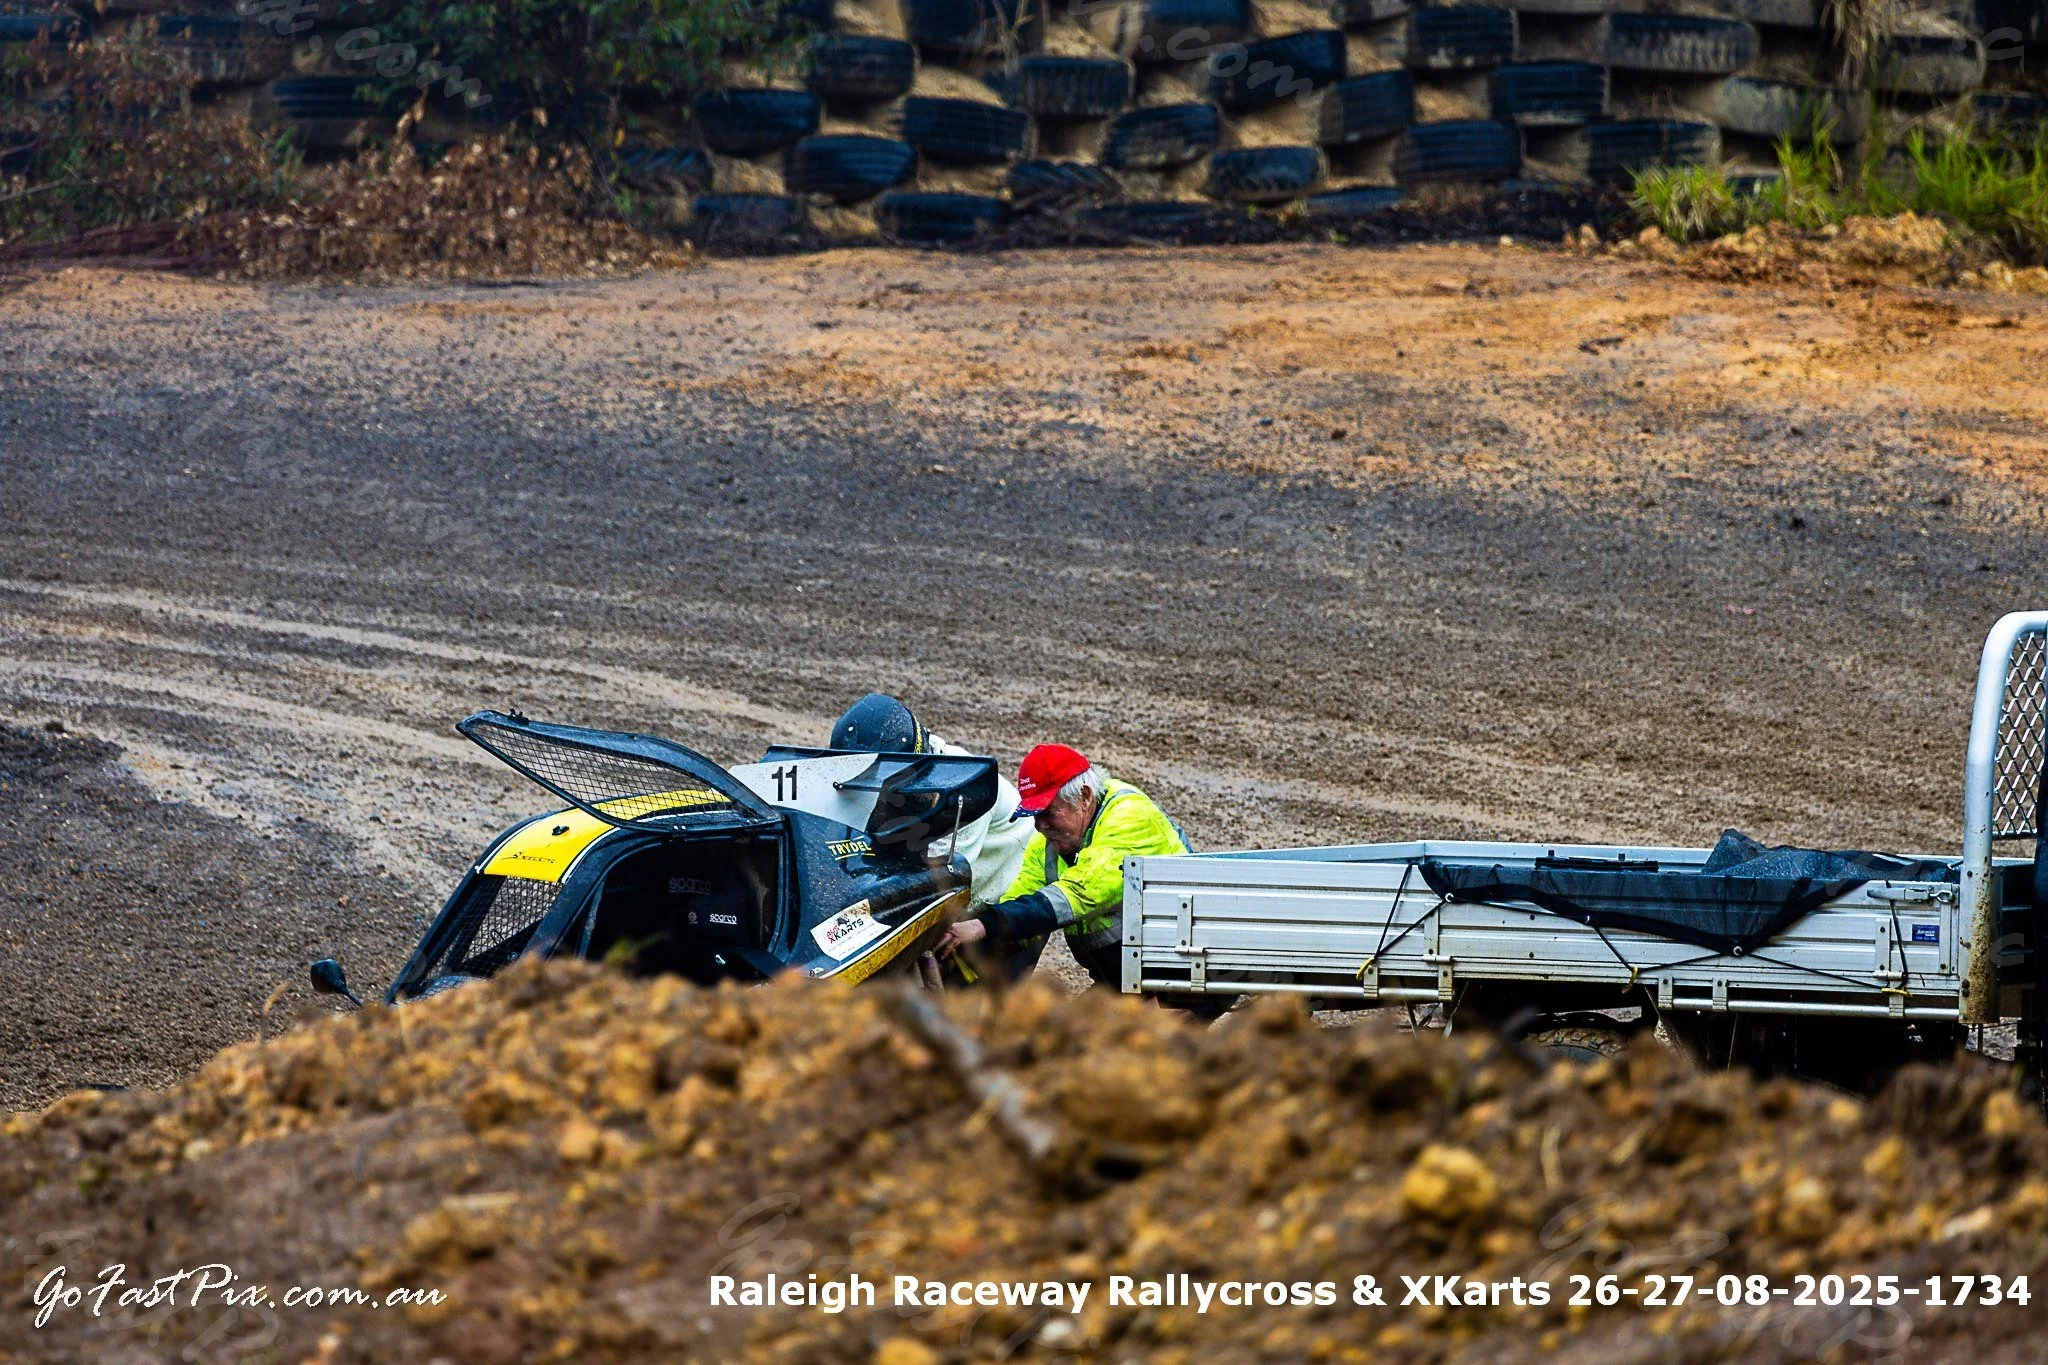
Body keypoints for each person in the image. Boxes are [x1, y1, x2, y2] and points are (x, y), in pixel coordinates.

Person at [935, 743, 1189, 990]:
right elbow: (1020, 906)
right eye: (1035, 816)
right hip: (1125, 979)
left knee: (1130, 1034)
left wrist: (982, 925)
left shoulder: (1130, 818)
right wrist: (958, 953)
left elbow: (1080, 893)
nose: (1040, 826)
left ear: (1085, 797)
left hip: (1184, 974)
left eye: (1048, 813)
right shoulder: (1047, 845)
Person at [827, 694, 1031, 911]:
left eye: (876, 778)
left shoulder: (961, 785)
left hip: (1005, 904)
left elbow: (943, 882)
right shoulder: (904, 776)